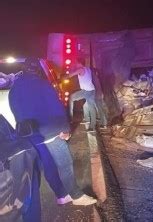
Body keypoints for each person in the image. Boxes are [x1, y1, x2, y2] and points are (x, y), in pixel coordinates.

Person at [9, 58, 97, 206]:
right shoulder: (43, 84)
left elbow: (16, 111)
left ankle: (61, 195)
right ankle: (76, 196)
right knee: (65, 164)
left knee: (48, 164)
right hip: (50, 132)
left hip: (31, 135)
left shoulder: (14, 89)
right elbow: (56, 108)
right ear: (37, 70)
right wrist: (64, 129)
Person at [67, 59, 107, 131]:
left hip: (90, 92)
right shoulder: (87, 69)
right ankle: (73, 118)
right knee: (73, 98)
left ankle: (93, 126)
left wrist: (69, 72)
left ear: (79, 63)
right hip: (85, 91)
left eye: (76, 63)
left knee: (92, 107)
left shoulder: (81, 69)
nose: (75, 65)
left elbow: (70, 75)